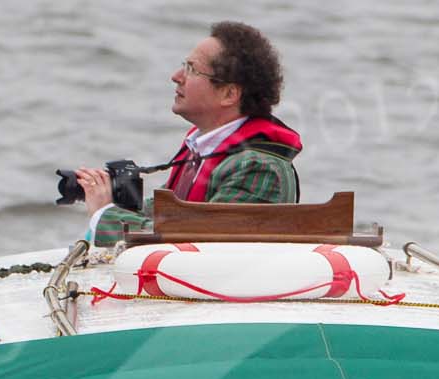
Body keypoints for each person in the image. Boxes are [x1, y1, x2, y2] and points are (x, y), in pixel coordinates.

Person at [76, 22, 301, 250]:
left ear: (229, 94)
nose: (176, 76)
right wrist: (105, 193)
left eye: (192, 69)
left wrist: (105, 216)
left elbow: (196, 243)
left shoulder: (259, 167)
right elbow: (162, 217)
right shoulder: (204, 151)